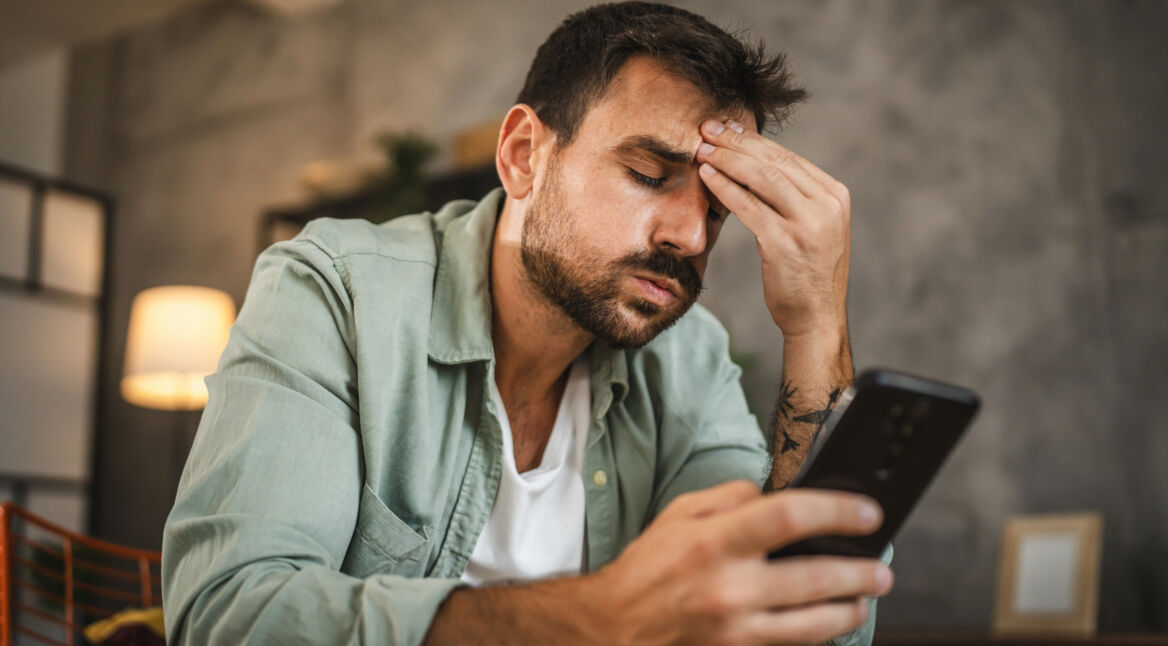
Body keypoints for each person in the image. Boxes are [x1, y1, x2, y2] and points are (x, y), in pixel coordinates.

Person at [162, 2, 895, 644]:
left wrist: (815, 327)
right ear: (523, 157)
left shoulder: (688, 361)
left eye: (717, 207)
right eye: (648, 175)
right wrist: (597, 620)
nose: (691, 235)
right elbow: (231, 619)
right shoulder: (338, 292)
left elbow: (800, 627)